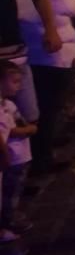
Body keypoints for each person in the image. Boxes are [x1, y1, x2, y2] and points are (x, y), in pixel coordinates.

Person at [14, 0, 75, 176]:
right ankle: (43, 158)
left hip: (31, 55)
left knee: (38, 108)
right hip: (57, 57)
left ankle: (40, 151)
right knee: (50, 109)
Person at [0, 0, 61, 143]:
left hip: (13, 47)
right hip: (19, 50)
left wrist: (51, 30)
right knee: (30, 112)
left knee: (28, 113)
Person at [0, 61, 37, 242]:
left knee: (15, 188)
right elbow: (8, 131)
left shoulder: (8, 104)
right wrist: (28, 130)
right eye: (14, 82)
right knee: (9, 192)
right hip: (11, 157)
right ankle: (7, 221)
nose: (19, 86)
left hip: (20, 155)